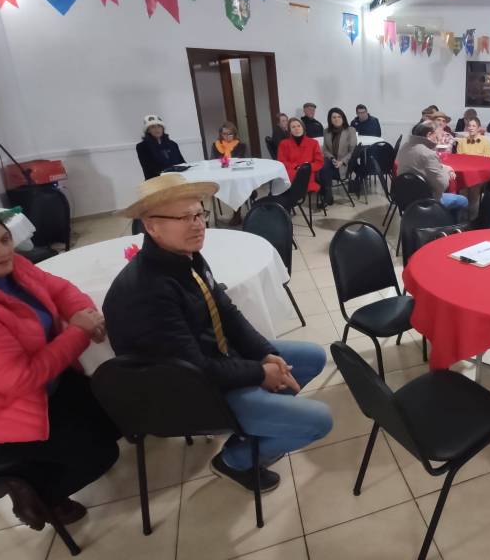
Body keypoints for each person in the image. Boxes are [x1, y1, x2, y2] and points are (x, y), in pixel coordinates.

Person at [104, 174, 333, 491]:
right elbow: (194, 370)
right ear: (151, 226)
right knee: (319, 421)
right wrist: (259, 372)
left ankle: (255, 429)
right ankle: (235, 460)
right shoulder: (149, 289)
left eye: (200, 214)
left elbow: (227, 312)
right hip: (190, 392)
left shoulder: (186, 257)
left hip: (215, 360)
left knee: (311, 357)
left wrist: (265, 355)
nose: (198, 225)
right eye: (185, 217)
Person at [0, 193, 120, 530]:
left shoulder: (12, 267)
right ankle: (37, 497)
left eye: (4, 239)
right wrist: (79, 332)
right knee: (100, 455)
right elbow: (19, 379)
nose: (2, 251)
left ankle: (34, 475)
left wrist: (82, 312)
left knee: (117, 412)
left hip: (42, 386)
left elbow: (59, 288)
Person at [395, 121, 469, 219]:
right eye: (438, 136)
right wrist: (447, 171)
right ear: (429, 135)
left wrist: (443, 167)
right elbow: (442, 185)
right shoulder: (428, 154)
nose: (439, 139)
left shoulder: (405, 147)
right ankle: (450, 226)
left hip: (404, 198)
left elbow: (420, 167)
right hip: (427, 200)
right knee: (463, 200)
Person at [319, 107, 358, 208]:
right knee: (322, 167)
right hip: (331, 162)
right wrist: (332, 158)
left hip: (344, 165)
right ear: (330, 119)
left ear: (343, 118)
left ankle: (326, 196)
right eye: (334, 117)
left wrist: (341, 162)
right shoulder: (326, 131)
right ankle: (327, 195)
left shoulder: (350, 130)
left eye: (339, 117)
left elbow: (352, 151)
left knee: (323, 170)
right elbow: (325, 149)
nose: (336, 119)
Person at [276, 117, 324, 197]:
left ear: (303, 128)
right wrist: (296, 166)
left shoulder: (313, 143)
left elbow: (319, 162)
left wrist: (306, 167)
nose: (296, 129)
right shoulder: (283, 144)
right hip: (290, 173)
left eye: (299, 126)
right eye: (293, 127)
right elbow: (281, 162)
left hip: (307, 173)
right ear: (290, 130)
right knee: (281, 182)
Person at [136, 114, 185, 180]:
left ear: (163, 128)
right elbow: (149, 169)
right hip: (157, 181)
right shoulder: (142, 147)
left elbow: (182, 163)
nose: (157, 129)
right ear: (148, 130)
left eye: (159, 126)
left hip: (177, 179)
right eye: (153, 127)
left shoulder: (173, 144)